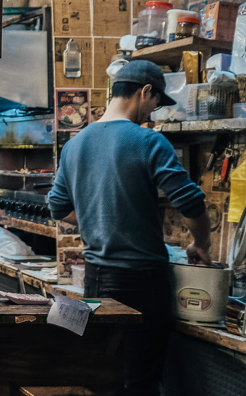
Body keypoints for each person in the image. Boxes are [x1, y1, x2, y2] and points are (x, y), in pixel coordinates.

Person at [48, 60, 211, 396]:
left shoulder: (75, 144)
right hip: (142, 283)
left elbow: (59, 207)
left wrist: (98, 215)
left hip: (96, 279)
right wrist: (201, 243)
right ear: (145, 91)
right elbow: (191, 203)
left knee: (104, 376)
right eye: (154, 103)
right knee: (140, 384)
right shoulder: (148, 141)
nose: (152, 113)